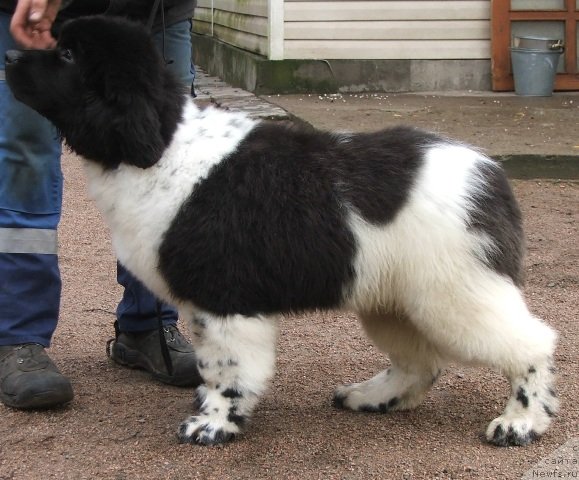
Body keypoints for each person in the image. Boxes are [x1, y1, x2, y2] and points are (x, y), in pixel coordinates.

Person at [0, 0, 201, 410]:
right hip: (27, 9)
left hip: (154, 11)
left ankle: (149, 325)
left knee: (162, 161)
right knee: (25, 158)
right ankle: (18, 336)